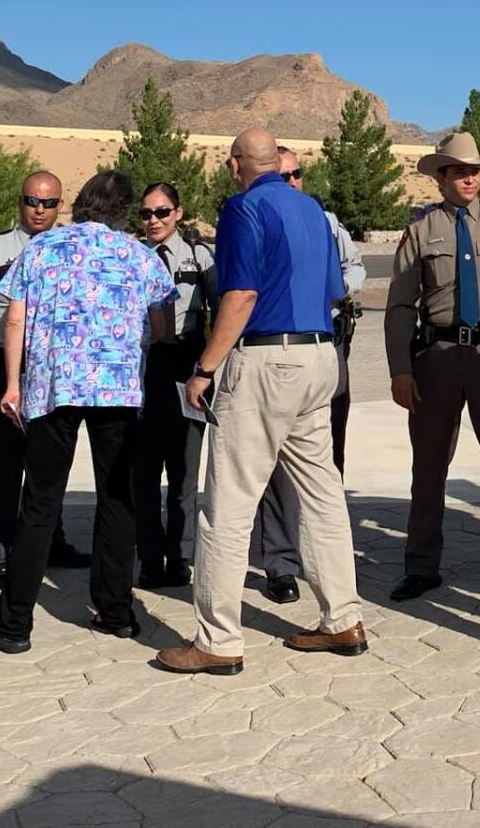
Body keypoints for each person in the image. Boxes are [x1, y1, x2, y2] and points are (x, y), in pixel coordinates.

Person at [153, 128, 367, 675]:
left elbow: (241, 294)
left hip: (266, 359)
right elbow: (335, 288)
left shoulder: (243, 209)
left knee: (227, 502)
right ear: (279, 163)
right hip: (321, 356)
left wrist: (205, 367)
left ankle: (218, 640)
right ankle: (342, 617)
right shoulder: (312, 210)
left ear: (235, 165)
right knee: (320, 494)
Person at [0, 170, 177, 652]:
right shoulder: (139, 256)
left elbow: (15, 320)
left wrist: (11, 382)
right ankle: (116, 611)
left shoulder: (42, 249)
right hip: (119, 391)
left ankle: (13, 626)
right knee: (117, 500)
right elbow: (164, 326)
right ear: (124, 211)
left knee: (41, 502)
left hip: (53, 388)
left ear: (80, 203)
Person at [385, 131, 480, 605]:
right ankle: (421, 567)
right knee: (428, 467)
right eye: (458, 170)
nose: (469, 177)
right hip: (437, 358)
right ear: (441, 178)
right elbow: (399, 305)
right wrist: (399, 370)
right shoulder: (421, 231)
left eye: (474, 170)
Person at [0, 171, 92, 588]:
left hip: (52, 373)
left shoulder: (70, 250)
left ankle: (51, 542)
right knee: (1, 468)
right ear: (21, 202)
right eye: (33, 201)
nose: (40, 210)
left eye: (49, 203)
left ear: (60, 205)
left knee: (48, 467)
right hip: (1, 368)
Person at [250, 145, 367, 605]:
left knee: (324, 459)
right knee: (272, 462)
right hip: (275, 347)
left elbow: (354, 269)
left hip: (327, 345)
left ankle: (328, 566)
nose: (292, 181)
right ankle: (280, 565)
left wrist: (332, 291)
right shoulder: (256, 218)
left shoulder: (326, 222)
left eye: (297, 173)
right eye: (283, 174)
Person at [133, 180, 218, 589]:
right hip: (142, 368)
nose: (153, 221)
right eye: (146, 214)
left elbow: (221, 311)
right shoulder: (130, 257)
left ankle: (180, 556)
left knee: (184, 468)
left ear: (178, 214)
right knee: (144, 470)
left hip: (187, 366)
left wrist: (212, 369)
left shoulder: (200, 257)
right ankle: (150, 556)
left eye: (162, 212)